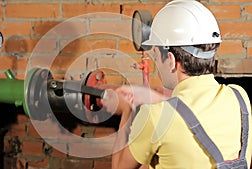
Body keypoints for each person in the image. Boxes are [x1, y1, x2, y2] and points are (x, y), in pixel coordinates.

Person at [102, 0, 252, 168]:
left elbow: (119, 167)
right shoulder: (239, 98)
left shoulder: (155, 117)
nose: (157, 63)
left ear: (171, 60)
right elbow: (193, 108)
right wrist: (154, 98)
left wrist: (127, 110)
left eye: (157, 56)